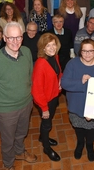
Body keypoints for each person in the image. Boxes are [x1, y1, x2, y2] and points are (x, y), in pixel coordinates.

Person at [0, 22, 37, 170]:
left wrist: (31, 97)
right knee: (7, 141)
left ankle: (19, 152)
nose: (15, 41)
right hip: (6, 110)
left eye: (18, 37)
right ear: (5, 38)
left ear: (22, 37)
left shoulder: (27, 52)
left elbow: (30, 76)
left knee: (22, 133)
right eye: (11, 38)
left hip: (26, 104)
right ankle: (8, 164)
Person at [61, 39, 94, 162]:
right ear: (80, 51)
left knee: (92, 132)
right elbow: (64, 83)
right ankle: (80, 143)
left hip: (93, 108)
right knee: (78, 129)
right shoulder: (72, 64)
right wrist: (81, 82)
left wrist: (92, 111)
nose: (87, 54)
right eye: (84, 51)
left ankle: (89, 145)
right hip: (76, 106)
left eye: (90, 51)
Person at [32, 33, 62, 161]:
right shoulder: (40, 64)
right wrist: (44, 108)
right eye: (48, 45)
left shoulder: (55, 57)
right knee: (47, 123)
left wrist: (59, 81)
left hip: (54, 96)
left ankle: (42, 137)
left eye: (53, 44)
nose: (51, 48)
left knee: (47, 122)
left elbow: (58, 72)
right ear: (43, 48)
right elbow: (36, 90)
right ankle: (46, 148)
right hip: (45, 100)